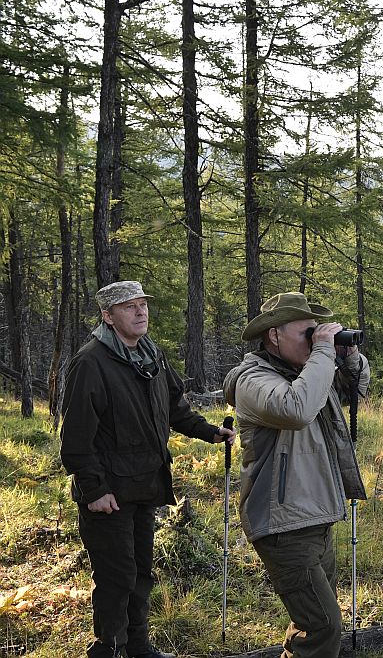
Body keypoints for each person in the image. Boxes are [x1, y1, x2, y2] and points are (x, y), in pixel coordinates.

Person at [60, 281, 236, 658]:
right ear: (108, 316)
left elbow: (175, 407)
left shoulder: (151, 355)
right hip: (109, 494)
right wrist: (94, 490)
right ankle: (109, 649)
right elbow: (75, 440)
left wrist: (209, 432)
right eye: (129, 307)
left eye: (142, 304)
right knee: (116, 576)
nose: (141, 312)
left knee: (141, 572)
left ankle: (138, 647)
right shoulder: (91, 362)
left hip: (146, 485)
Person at [223, 291, 369, 658]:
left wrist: (348, 358)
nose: (316, 340)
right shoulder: (252, 380)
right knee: (323, 626)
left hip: (316, 515)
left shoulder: (305, 373)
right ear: (274, 335)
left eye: (317, 332)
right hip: (282, 524)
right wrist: (321, 353)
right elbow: (296, 408)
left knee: (309, 622)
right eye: (307, 333)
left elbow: (356, 392)